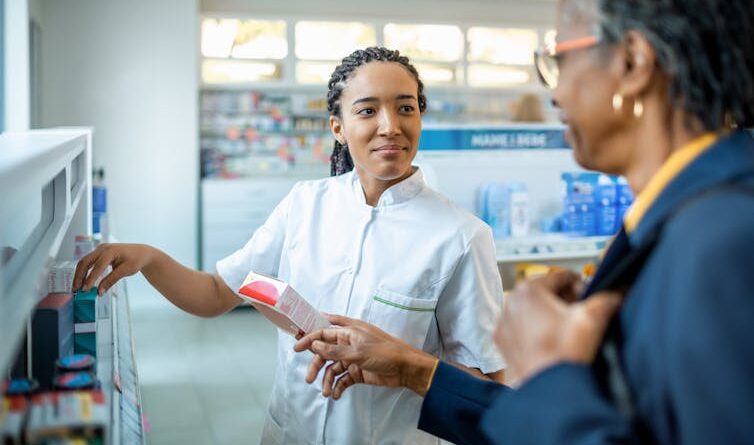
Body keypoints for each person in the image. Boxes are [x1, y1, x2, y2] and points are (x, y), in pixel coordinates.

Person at [295, 0, 754, 444]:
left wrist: (551, 374)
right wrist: (412, 369)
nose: (553, 94)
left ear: (632, 62)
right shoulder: (680, 220)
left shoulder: (725, 241)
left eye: (558, 60)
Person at [72, 47, 505, 444]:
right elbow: (216, 293)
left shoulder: (461, 237)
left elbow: (485, 393)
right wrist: (149, 258)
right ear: (338, 127)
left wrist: (400, 363)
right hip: (288, 431)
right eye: (368, 110)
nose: (390, 126)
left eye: (405, 108)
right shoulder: (305, 203)